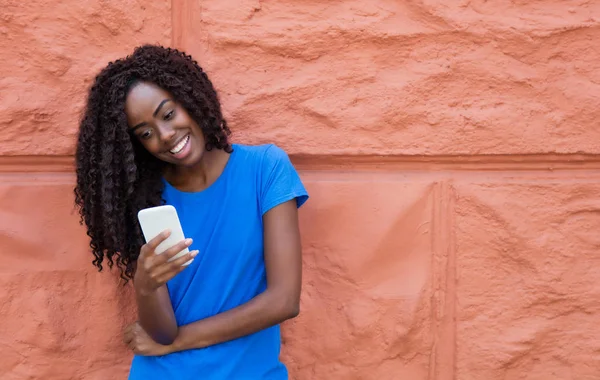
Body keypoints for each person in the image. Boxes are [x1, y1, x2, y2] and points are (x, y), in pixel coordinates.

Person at [74, 44, 309, 379]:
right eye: (146, 134)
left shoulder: (265, 169)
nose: (166, 136)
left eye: (168, 115)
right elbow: (162, 333)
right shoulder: (147, 199)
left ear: (190, 97)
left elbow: (285, 301)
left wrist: (176, 344)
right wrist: (145, 284)